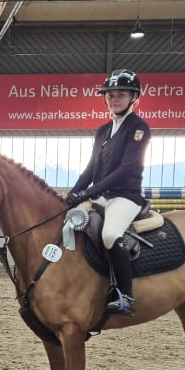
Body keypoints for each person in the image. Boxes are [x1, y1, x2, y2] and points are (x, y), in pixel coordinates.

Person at [65, 69, 151, 316]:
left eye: (121, 94)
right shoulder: (103, 130)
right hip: (102, 195)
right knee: (71, 224)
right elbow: (91, 168)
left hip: (125, 196)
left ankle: (126, 296)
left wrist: (89, 193)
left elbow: (127, 169)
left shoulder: (139, 127)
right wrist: (72, 195)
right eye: (111, 95)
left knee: (111, 234)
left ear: (133, 97)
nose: (115, 99)